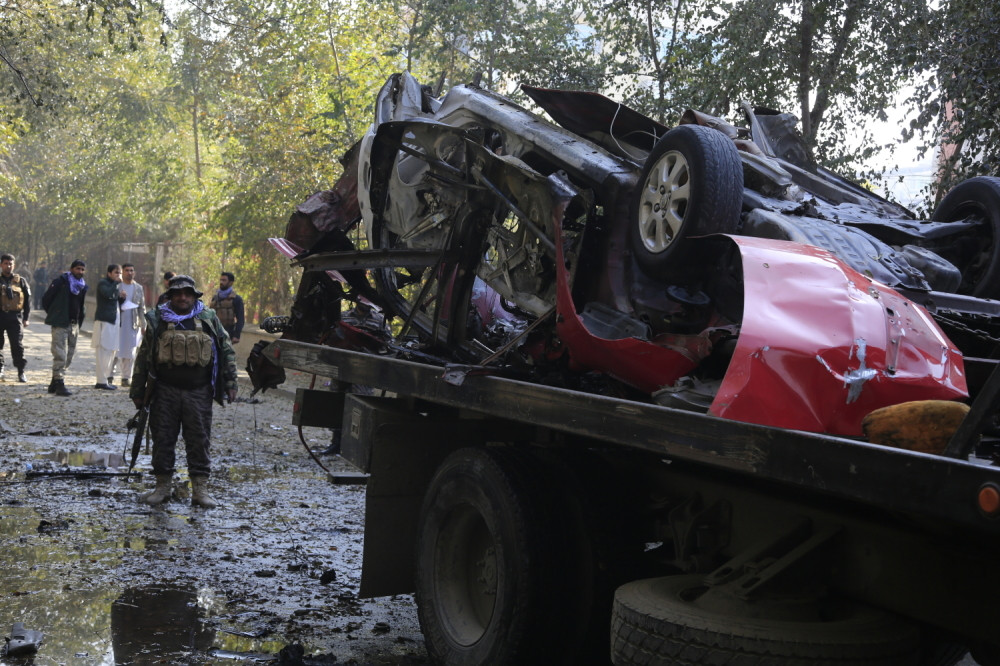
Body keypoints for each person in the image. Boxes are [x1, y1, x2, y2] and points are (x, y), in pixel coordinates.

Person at [130, 274, 238, 508]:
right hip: (164, 391)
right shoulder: (158, 319)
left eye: (186, 293)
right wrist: (137, 391)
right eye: (177, 293)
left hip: (198, 392)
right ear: (170, 296)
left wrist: (231, 383)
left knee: (199, 440)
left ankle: (200, 490)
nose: (182, 297)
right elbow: (144, 357)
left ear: (193, 296)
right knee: (163, 439)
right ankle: (162, 488)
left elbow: (226, 350)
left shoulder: (208, 318)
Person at [43, 260, 87, 397]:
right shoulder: (61, 282)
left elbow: (81, 305)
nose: (80, 271)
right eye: (78, 269)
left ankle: (54, 381)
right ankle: (60, 383)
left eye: (82, 269)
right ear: (71, 269)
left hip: (74, 324)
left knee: (69, 355)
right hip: (60, 323)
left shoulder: (82, 286)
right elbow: (46, 299)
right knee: (60, 354)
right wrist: (55, 314)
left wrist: (80, 321)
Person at [92, 264, 124, 390]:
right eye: (116, 272)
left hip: (113, 321)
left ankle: (105, 379)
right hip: (104, 322)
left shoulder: (115, 285)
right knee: (103, 351)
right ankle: (100, 381)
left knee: (111, 351)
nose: (119, 275)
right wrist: (116, 285)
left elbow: (114, 301)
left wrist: (121, 298)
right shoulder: (103, 283)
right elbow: (108, 294)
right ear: (109, 273)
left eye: (120, 273)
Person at [0, 253, 31, 383]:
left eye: (10, 264)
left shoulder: (21, 281)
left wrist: (26, 318)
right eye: (6, 263)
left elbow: (28, 300)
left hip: (15, 317)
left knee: (17, 345)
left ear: (14, 265)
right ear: (1, 264)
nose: (8, 266)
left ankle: (20, 371)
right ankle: (0, 368)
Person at [114, 263, 145, 387]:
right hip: (117, 322)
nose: (129, 273)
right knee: (115, 349)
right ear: (123, 272)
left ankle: (126, 377)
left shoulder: (138, 288)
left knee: (130, 351)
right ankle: (109, 375)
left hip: (132, 323)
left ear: (134, 272)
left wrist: (143, 324)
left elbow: (142, 307)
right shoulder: (116, 286)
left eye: (131, 270)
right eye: (126, 270)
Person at [209, 272, 244, 344]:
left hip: (228, 333)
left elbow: (240, 319)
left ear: (231, 282)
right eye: (221, 280)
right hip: (214, 333)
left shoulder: (236, 299)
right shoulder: (215, 298)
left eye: (224, 280)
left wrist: (236, 335)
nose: (221, 282)